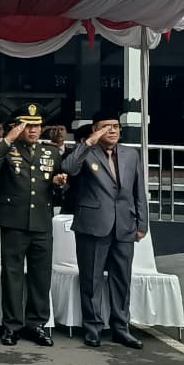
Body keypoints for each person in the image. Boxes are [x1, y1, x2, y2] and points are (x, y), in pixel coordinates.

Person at [0, 103, 68, 347]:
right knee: (13, 276)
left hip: (41, 221)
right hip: (14, 221)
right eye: (27, 126)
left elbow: (58, 188)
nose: (33, 130)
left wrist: (59, 185)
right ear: (16, 127)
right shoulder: (6, 150)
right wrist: (8, 139)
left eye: (37, 125)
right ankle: (12, 325)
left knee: (41, 276)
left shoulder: (50, 153)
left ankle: (37, 324)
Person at [61, 110, 148, 350]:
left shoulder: (130, 154)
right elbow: (68, 167)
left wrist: (142, 224)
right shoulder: (87, 152)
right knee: (91, 279)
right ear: (95, 130)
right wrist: (89, 142)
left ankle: (121, 328)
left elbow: (138, 191)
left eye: (116, 126)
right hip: (93, 225)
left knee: (122, 280)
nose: (112, 130)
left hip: (124, 225)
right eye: (106, 127)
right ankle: (93, 328)